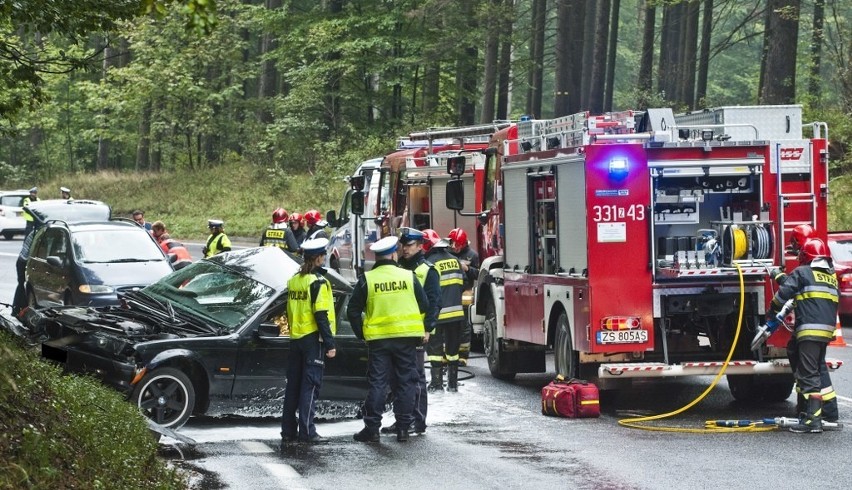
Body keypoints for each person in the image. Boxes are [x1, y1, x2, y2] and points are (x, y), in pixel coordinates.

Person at [347, 236, 429, 443]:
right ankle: (403, 428)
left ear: (376, 257)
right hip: (406, 339)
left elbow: (353, 311)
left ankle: (372, 428)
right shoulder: (409, 276)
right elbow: (424, 305)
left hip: (379, 341)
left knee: (378, 383)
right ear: (394, 254)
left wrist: (361, 334)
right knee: (406, 383)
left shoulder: (368, 279)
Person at [765, 237, 839, 433]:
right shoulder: (830, 276)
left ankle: (812, 422)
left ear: (806, 256)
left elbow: (784, 293)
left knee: (808, 374)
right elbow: (800, 284)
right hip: (825, 332)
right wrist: (780, 276)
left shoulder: (802, 272)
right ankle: (819, 413)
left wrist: (772, 310)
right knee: (815, 368)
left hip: (809, 331)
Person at [380, 227, 441, 436]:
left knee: (415, 379)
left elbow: (434, 303)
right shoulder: (399, 269)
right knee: (398, 379)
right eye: (403, 245)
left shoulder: (427, 270)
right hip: (398, 333)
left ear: (420, 246)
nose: (405, 249)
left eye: (409, 245)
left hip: (416, 332)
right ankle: (402, 419)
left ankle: (417, 420)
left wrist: (428, 329)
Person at [280, 238, 337, 444]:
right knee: (310, 386)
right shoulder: (318, 283)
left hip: (296, 339)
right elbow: (321, 315)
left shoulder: (295, 280)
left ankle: (288, 432)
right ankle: (307, 432)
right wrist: (330, 344)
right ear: (320, 258)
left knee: (293, 386)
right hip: (313, 340)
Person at [423, 229, 465, 392]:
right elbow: (462, 284)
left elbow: (430, 293)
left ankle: (436, 382)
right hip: (456, 314)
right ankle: (452, 384)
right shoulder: (455, 261)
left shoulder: (429, 264)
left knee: (435, 350)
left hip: (437, 315)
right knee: (453, 351)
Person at [448, 227, 479, 368]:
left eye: (458, 245)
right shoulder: (447, 253)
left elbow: (478, 274)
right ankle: (447, 355)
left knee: (464, 325)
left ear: (464, 243)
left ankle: (463, 356)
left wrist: (467, 269)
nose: (455, 248)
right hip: (450, 292)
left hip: (465, 292)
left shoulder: (472, 255)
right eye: (453, 245)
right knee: (448, 324)